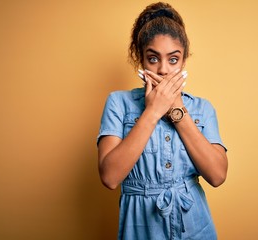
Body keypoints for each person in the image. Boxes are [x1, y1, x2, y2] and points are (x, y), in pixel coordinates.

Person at [97, 2, 228, 239]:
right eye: (153, 58)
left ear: (184, 61)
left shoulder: (202, 108)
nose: (164, 70)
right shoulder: (118, 103)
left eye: (173, 59)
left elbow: (217, 175)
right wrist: (153, 111)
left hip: (195, 227)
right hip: (141, 229)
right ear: (141, 60)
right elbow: (110, 177)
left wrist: (177, 111)